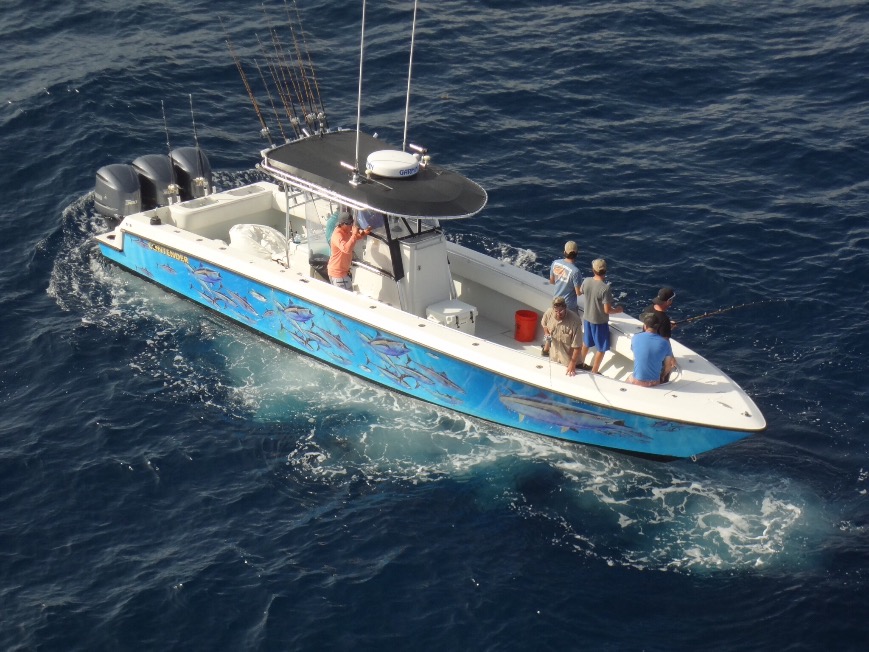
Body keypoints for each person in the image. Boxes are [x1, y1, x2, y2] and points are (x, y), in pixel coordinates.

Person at [577, 258, 623, 374]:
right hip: (599, 322)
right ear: (605, 271)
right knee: (601, 348)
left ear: (593, 270)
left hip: (587, 318)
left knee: (586, 343)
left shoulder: (586, 281)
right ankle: (594, 370)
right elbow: (607, 310)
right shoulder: (605, 288)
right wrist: (617, 310)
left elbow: (581, 291)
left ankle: (579, 363)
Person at [545, 240, 582, 355]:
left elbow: (552, 281)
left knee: (552, 327)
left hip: (555, 302)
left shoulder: (555, 263)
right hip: (568, 306)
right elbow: (578, 292)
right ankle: (567, 353)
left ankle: (546, 348)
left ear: (564, 252)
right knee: (573, 330)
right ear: (576, 254)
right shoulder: (576, 272)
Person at [628, 312, 677, 387]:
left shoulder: (635, 338)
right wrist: (662, 376)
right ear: (658, 327)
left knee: (627, 380)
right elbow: (668, 366)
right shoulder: (665, 343)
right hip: (654, 382)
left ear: (645, 326)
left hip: (637, 381)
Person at [540, 296, 584, 376]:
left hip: (570, 364)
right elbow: (544, 324)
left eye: (561, 311)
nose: (558, 313)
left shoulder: (575, 321)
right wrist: (546, 333)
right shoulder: (549, 312)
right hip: (554, 359)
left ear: (565, 308)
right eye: (556, 311)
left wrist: (572, 364)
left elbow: (577, 346)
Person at [327, 212, 371, 290]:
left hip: (343, 272)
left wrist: (364, 233)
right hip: (338, 274)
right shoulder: (338, 235)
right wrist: (354, 234)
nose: (351, 225)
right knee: (345, 298)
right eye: (349, 223)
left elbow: (352, 238)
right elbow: (346, 249)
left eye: (352, 222)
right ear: (342, 224)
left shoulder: (345, 231)